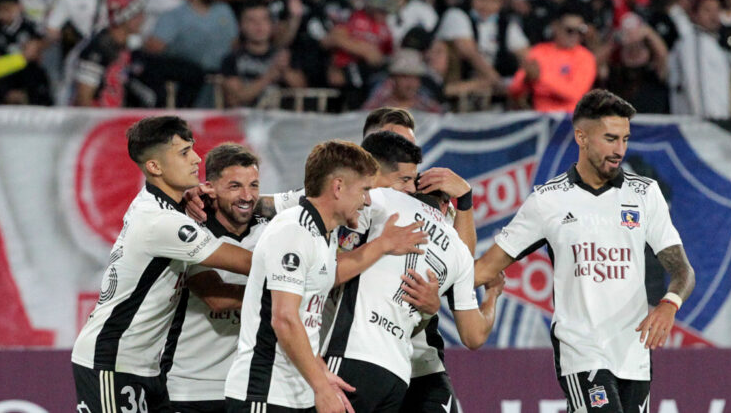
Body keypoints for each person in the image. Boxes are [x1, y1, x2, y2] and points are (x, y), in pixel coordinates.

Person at [474, 89, 696, 411]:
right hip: (582, 350)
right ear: (581, 137)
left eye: (625, 139)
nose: (620, 150)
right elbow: (483, 268)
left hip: (634, 353)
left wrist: (669, 305)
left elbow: (682, 270)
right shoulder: (548, 200)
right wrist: (436, 279)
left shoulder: (645, 193)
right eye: (610, 138)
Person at [224, 140, 426, 412]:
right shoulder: (294, 229)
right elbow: (284, 319)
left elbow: (330, 278)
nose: (367, 201)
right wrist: (320, 384)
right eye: (364, 190)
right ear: (338, 187)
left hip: (296, 391)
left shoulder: (324, 236)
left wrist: (382, 245)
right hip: (264, 393)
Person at [71, 116, 256, 411]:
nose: (196, 159)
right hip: (113, 362)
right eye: (183, 153)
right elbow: (249, 262)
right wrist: (301, 267)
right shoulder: (161, 222)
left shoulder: (163, 207)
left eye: (192, 148)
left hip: (147, 367)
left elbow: (216, 293)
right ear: (155, 167)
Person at [321, 133, 504, 413]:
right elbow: (474, 336)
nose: (406, 188)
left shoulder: (382, 201)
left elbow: (325, 270)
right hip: (398, 373)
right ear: (446, 206)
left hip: (352, 354)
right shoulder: (460, 253)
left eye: (411, 181)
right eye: (404, 180)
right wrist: (491, 296)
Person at [164, 143, 268, 412]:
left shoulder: (271, 231)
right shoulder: (191, 233)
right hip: (189, 386)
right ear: (209, 188)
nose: (247, 196)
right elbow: (216, 297)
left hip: (244, 385)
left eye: (254, 185)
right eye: (235, 186)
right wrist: (285, 293)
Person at [508, 2, 596, 112]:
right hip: (540, 118)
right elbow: (514, 89)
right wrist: (526, 80)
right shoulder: (538, 51)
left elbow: (575, 93)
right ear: (555, 27)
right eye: (569, 30)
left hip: (571, 120)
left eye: (580, 31)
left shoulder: (586, 57)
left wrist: (541, 77)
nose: (575, 35)